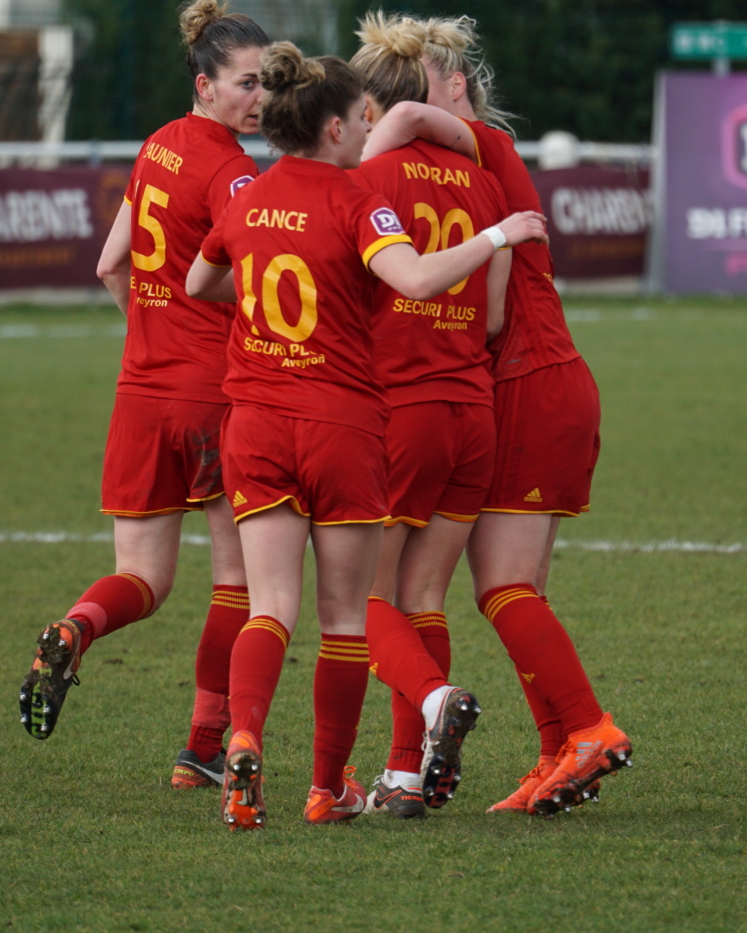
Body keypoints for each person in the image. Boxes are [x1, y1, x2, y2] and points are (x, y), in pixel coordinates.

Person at [184, 41, 548, 830]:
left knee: (269, 604)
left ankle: (243, 739)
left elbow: (197, 282)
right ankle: (326, 788)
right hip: (343, 425)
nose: (369, 125)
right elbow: (415, 279)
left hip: (256, 422)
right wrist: (501, 235)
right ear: (337, 130)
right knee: (348, 617)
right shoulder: (356, 202)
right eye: (360, 116)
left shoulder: (246, 199)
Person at [20, 0, 267, 793]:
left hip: (140, 389)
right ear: (205, 84)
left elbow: (109, 264)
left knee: (143, 579)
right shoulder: (233, 170)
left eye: (264, 84)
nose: (259, 99)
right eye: (245, 84)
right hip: (212, 394)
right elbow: (250, 280)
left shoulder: (157, 145)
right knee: (240, 581)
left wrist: (149, 331)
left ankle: (75, 626)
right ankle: (200, 745)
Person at [401, 14, 632, 816]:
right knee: (517, 586)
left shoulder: (482, 147)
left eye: (417, 86)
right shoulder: (461, 169)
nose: (402, 108)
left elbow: (406, 117)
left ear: (456, 86)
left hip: (532, 384)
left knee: (500, 585)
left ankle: (592, 729)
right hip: (544, 384)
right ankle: (558, 748)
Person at [346, 12, 514, 818]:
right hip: (470, 410)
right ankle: (406, 778)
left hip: (399, 410)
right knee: (424, 602)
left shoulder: (364, 181)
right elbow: (490, 316)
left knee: (365, 604)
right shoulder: (484, 183)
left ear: (371, 109)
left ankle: (438, 701)